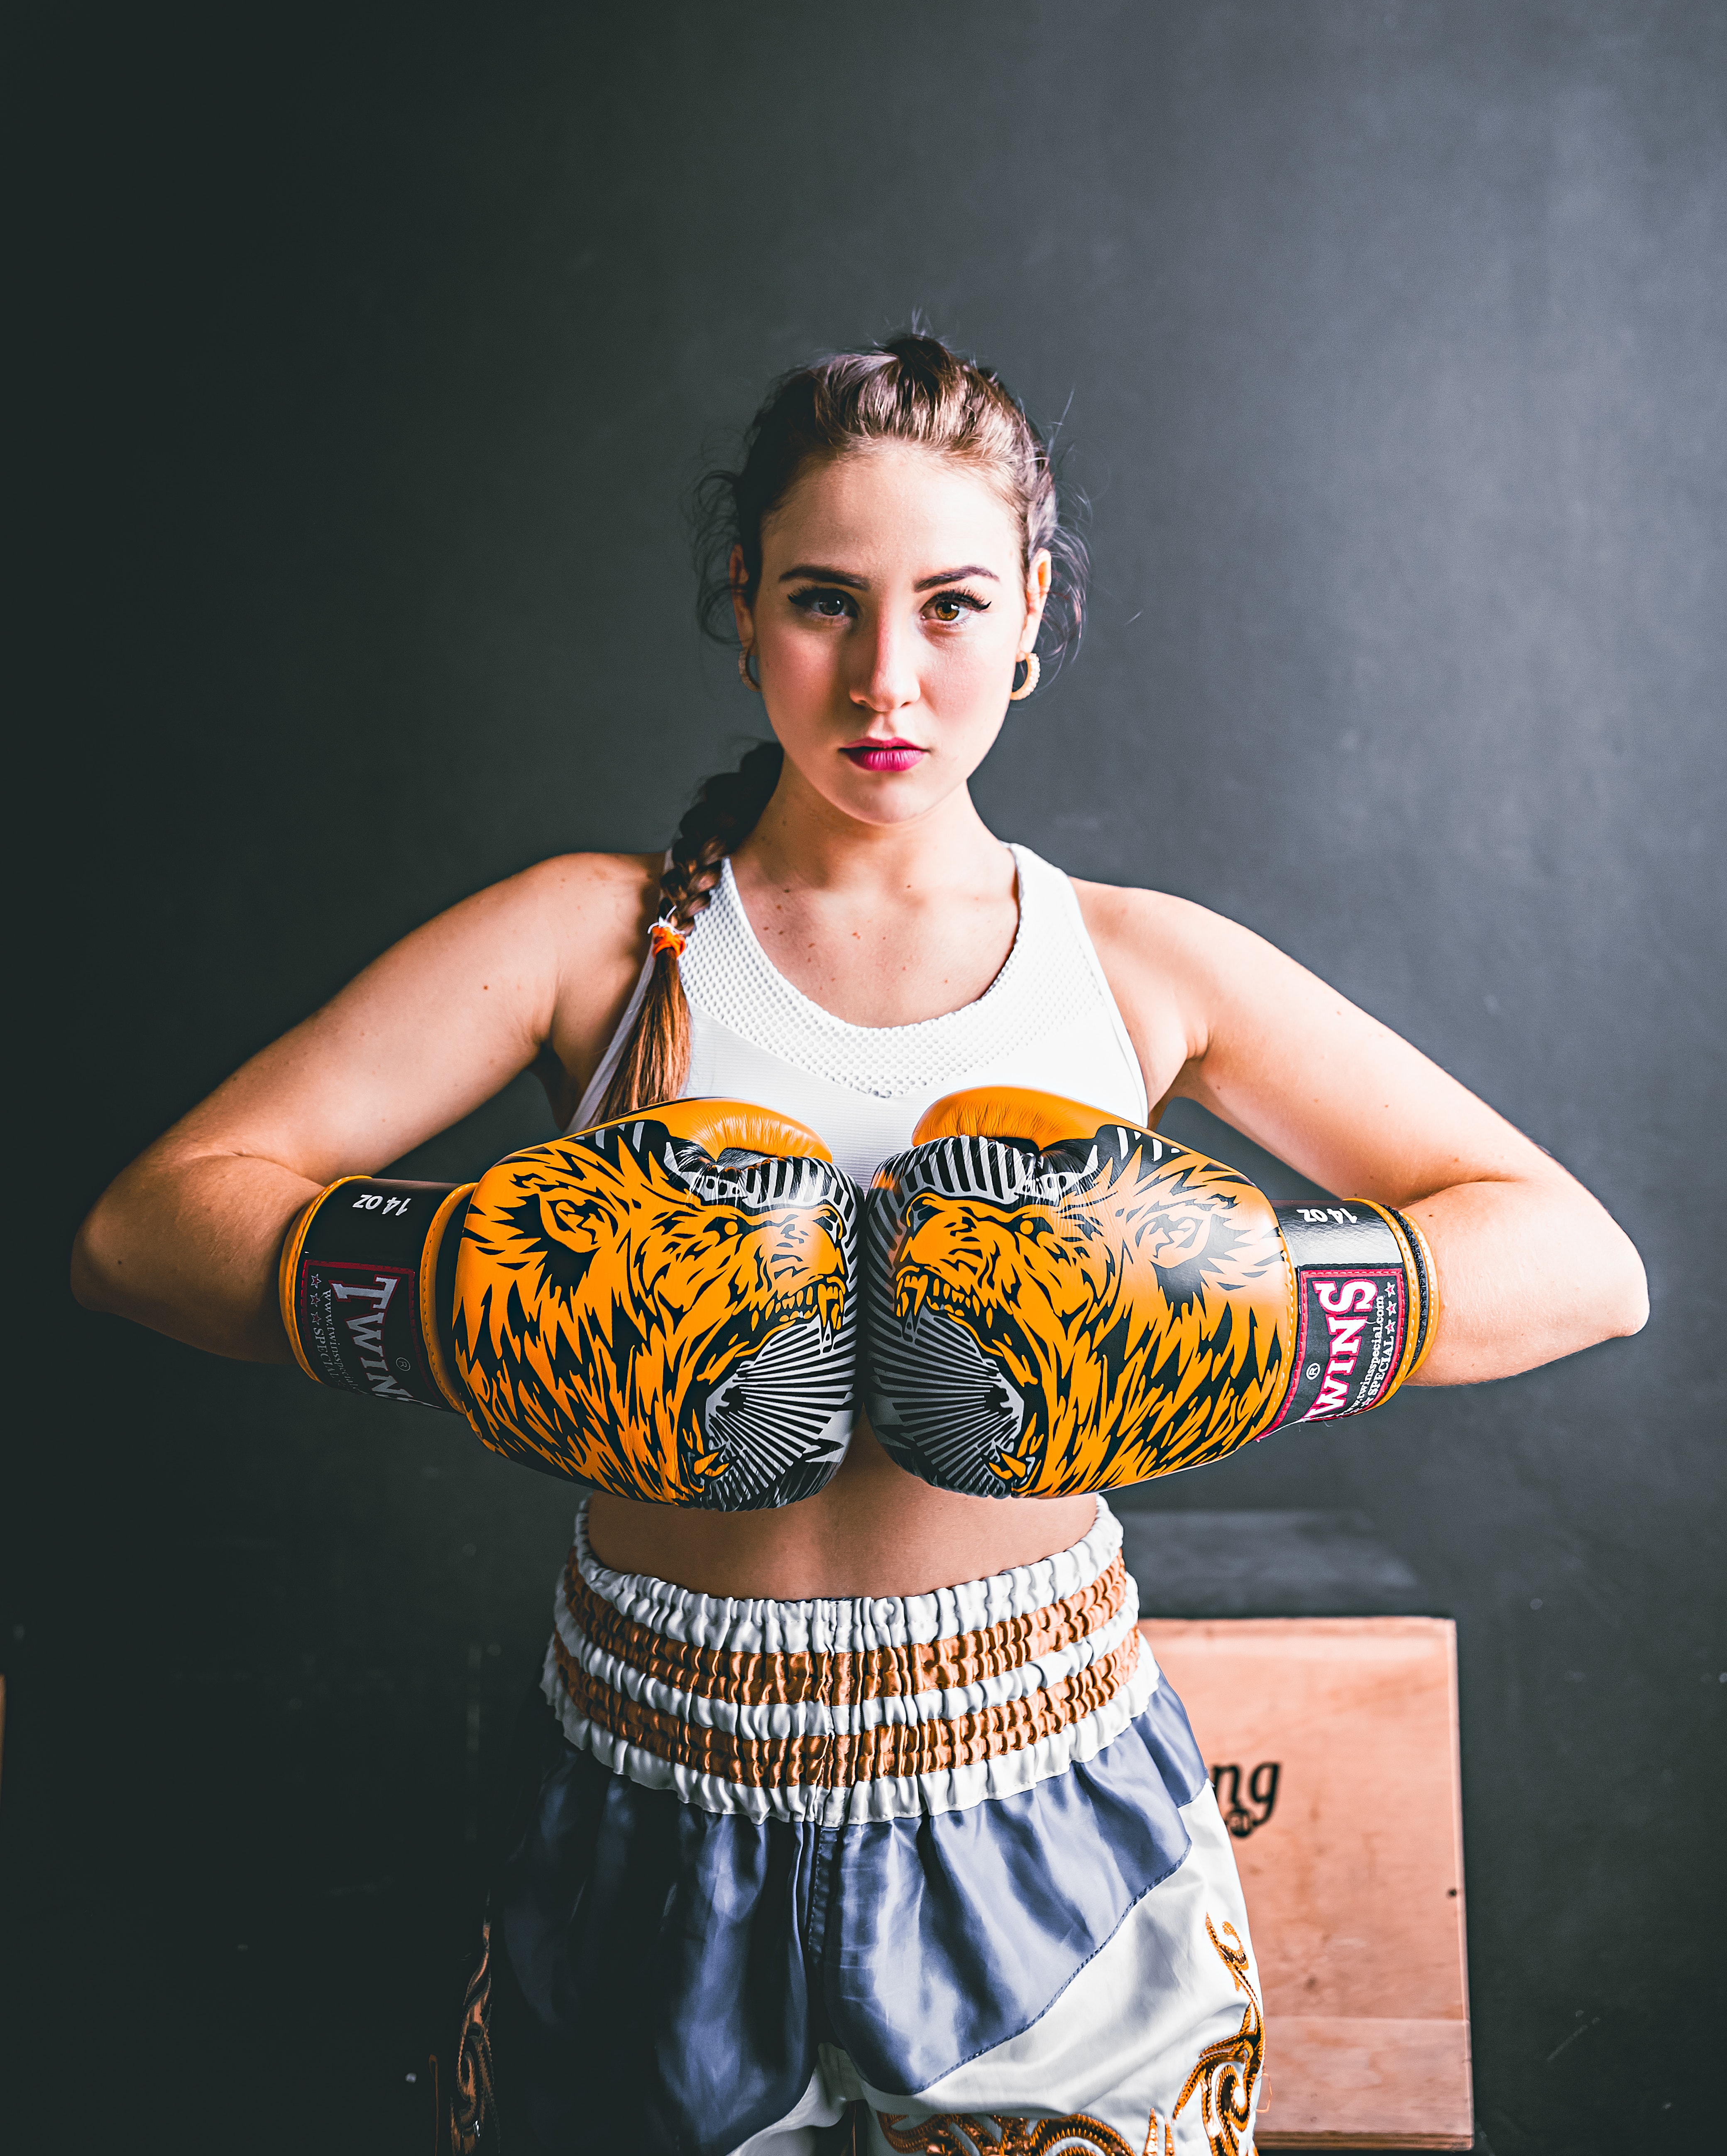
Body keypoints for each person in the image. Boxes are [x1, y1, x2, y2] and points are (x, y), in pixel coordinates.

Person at [73, 334, 1647, 2156]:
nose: (888, 678)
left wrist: (1247, 1306)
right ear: (743, 603)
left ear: (1031, 612)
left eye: (952, 605)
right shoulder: (595, 942)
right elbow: (144, 1227)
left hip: (1045, 1803)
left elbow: (1580, 1264)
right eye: (825, 600)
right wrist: (474, 1297)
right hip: (647, 1797)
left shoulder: (1135, 966)